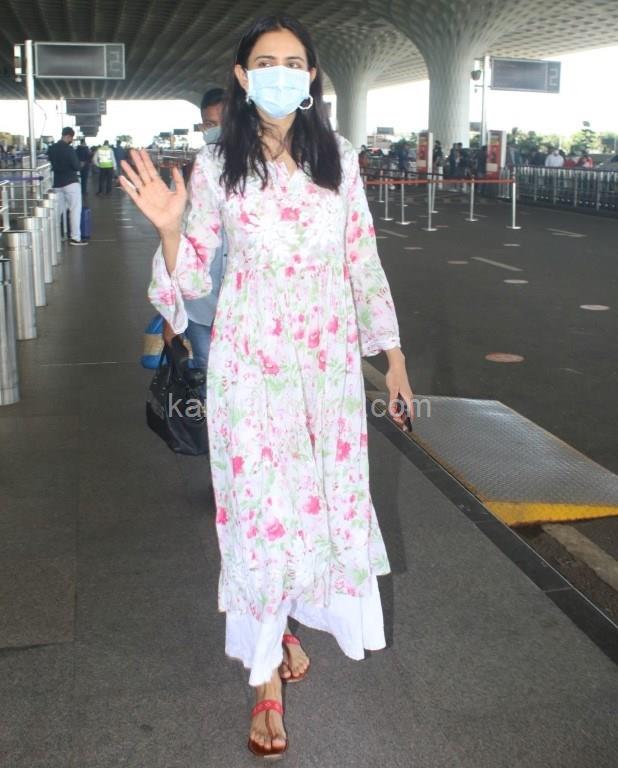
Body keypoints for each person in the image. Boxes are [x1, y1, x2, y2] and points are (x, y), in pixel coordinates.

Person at [120, 14, 413, 759]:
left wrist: (394, 358)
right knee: (259, 518)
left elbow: (362, 259)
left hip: (328, 370)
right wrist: (169, 229)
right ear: (243, 77)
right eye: (264, 61)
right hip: (250, 364)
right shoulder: (217, 164)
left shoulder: (339, 158)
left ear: (311, 75)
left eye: (293, 61)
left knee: (317, 505)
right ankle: (263, 681)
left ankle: (282, 627)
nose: (280, 72)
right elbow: (193, 278)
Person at [163, 87, 229, 387]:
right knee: (205, 376)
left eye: (223, 121)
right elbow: (180, 244)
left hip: (247, 306)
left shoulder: (265, 169)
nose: (215, 130)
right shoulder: (199, 168)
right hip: (201, 303)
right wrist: (171, 312)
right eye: (209, 123)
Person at [47, 127, 87, 246]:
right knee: (75, 210)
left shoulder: (52, 148)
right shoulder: (69, 149)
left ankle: (55, 236)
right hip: (71, 182)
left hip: (57, 183)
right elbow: (76, 166)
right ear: (69, 136)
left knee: (57, 211)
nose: (71, 140)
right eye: (71, 138)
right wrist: (81, 164)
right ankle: (75, 238)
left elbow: (52, 163)